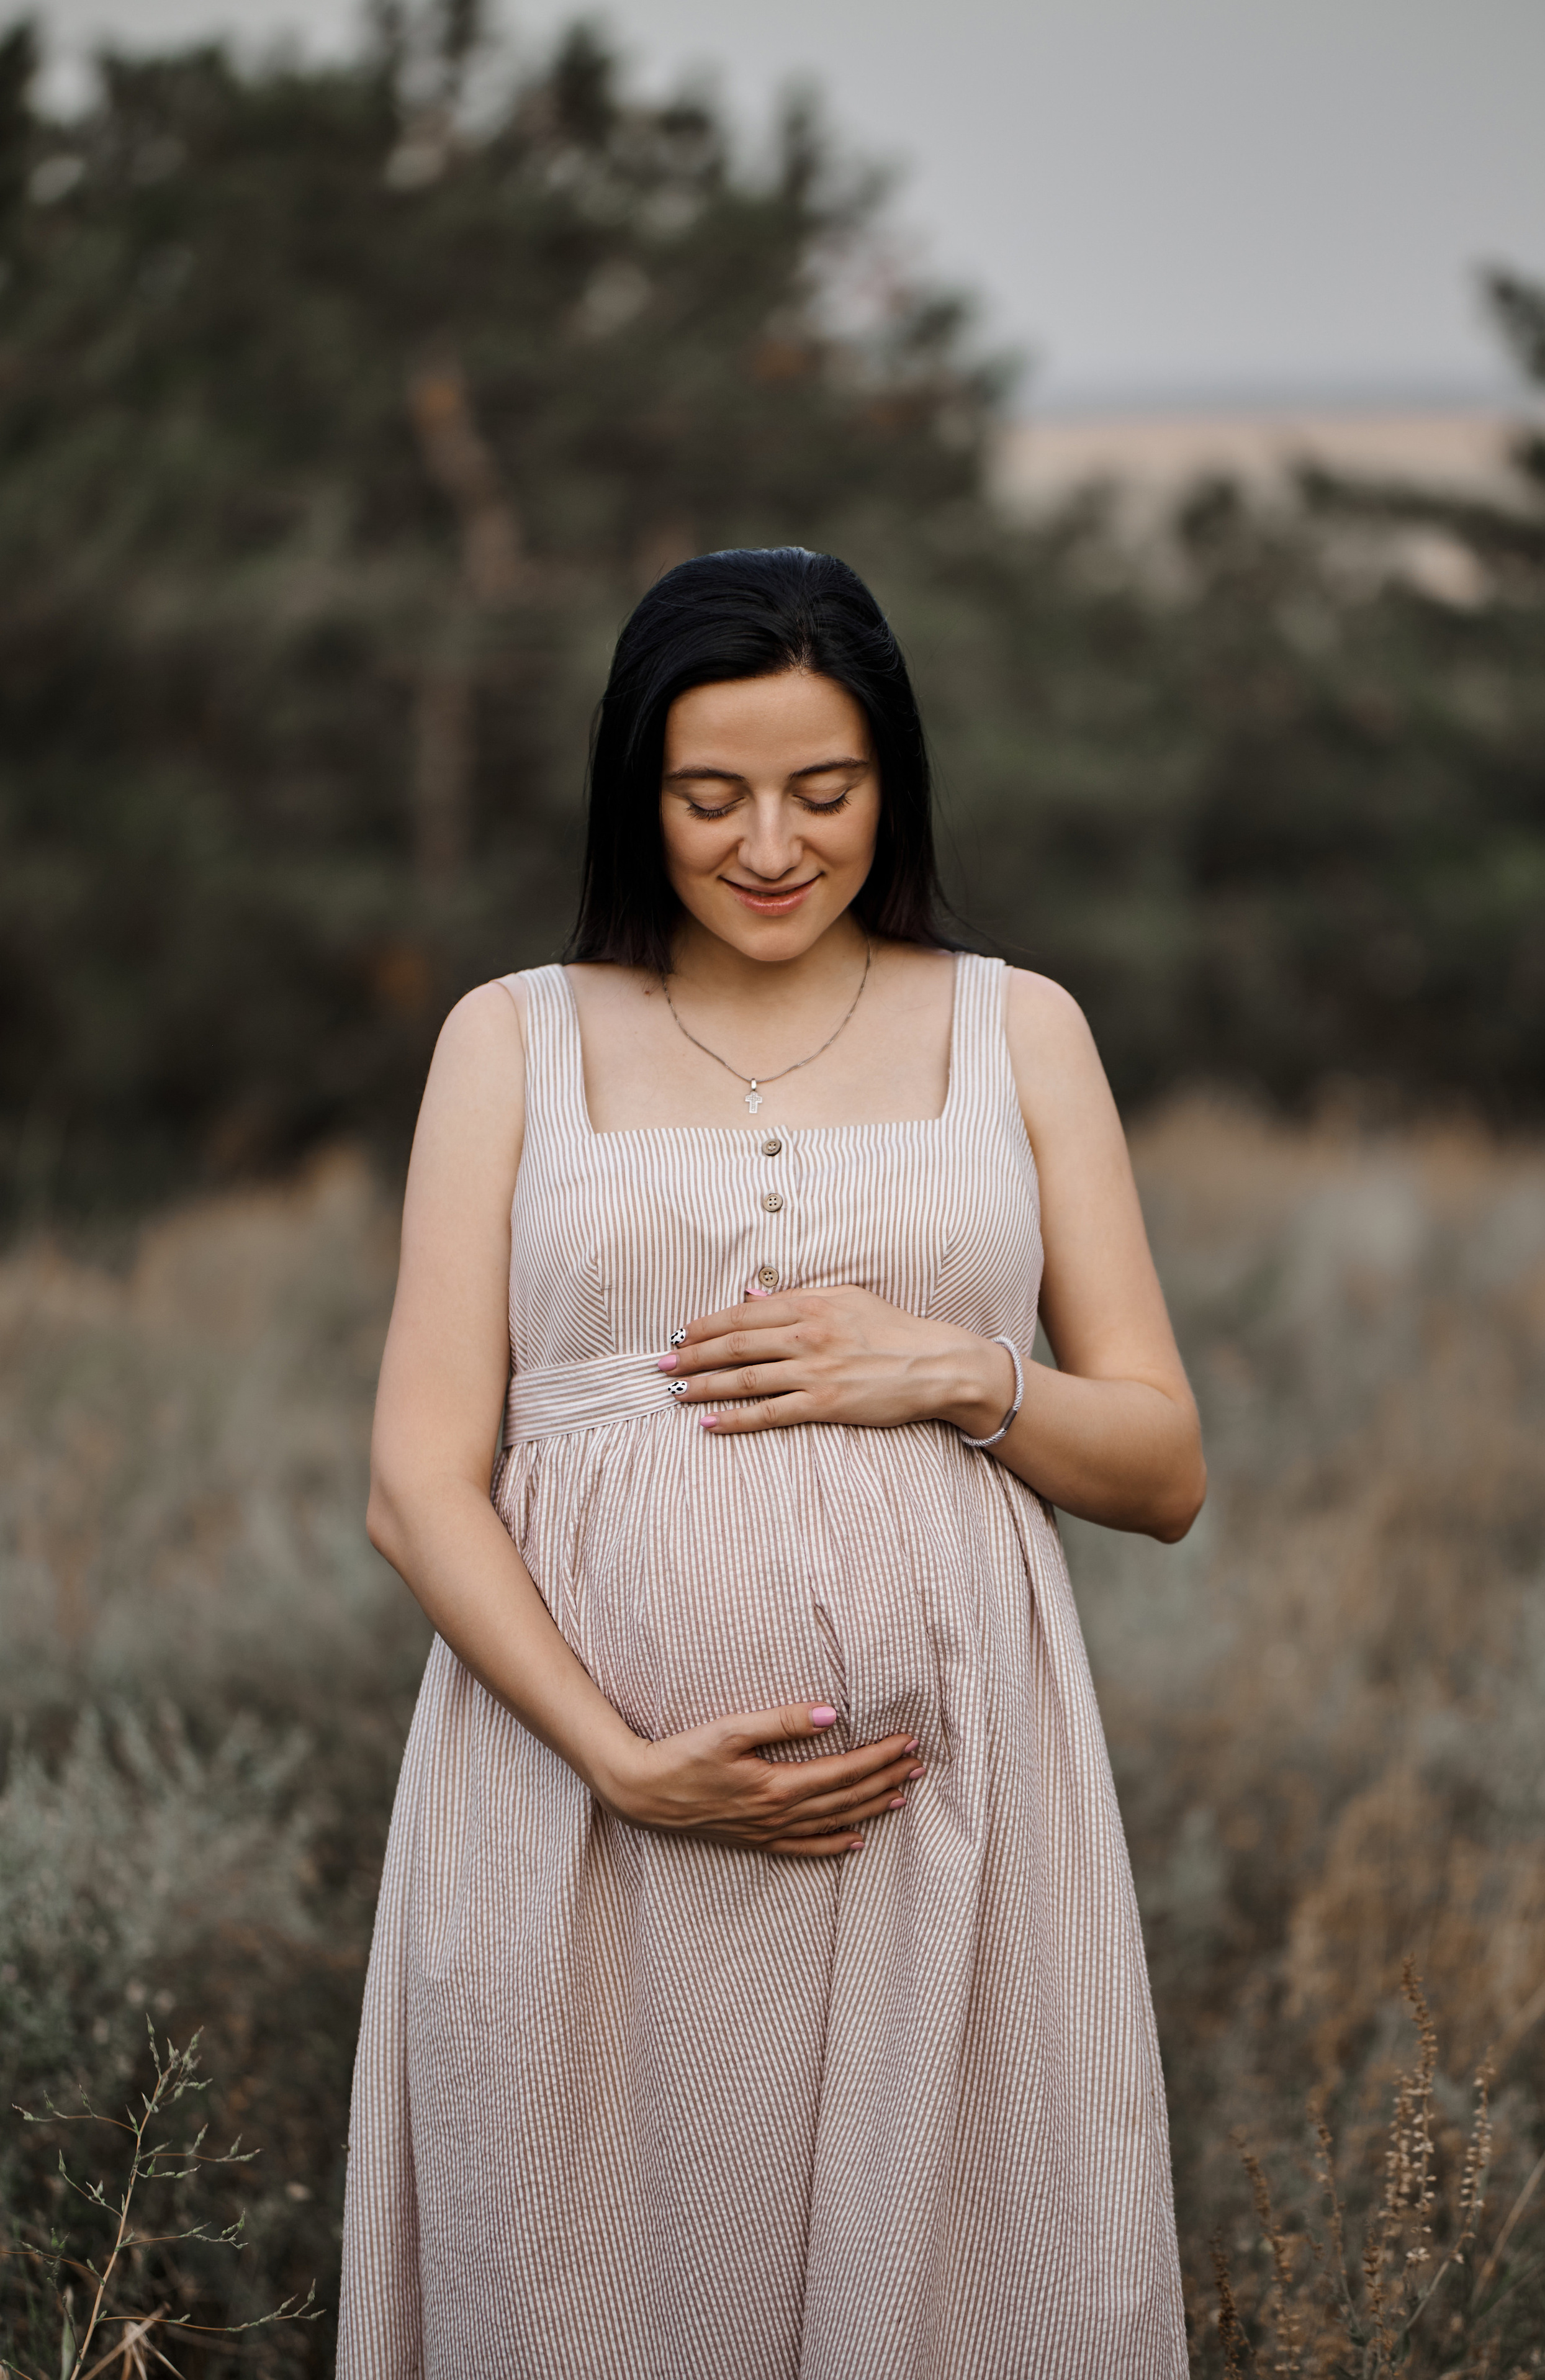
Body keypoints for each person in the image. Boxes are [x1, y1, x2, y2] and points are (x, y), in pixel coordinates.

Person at [338, 546, 1205, 2380]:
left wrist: (954, 1369)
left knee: (959, 2304)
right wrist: (623, 1761)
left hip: (945, 1825)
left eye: (825, 790)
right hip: (582, 1820)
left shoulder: (1018, 1027)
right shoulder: (511, 1038)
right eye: (709, 796)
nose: (770, 846)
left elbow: (1163, 1466)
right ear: (634, 793)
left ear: (893, 780)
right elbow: (417, 1481)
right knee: (587, 2300)